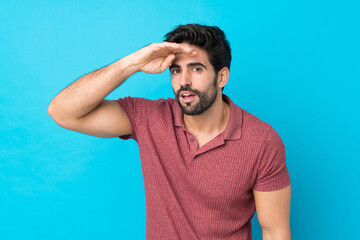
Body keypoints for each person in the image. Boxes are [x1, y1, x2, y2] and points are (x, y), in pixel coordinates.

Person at [48, 23, 291, 240]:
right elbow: (62, 112)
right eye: (176, 70)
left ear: (221, 77)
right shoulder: (148, 117)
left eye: (196, 69)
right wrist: (132, 63)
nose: (184, 80)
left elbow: (274, 231)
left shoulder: (262, 141)